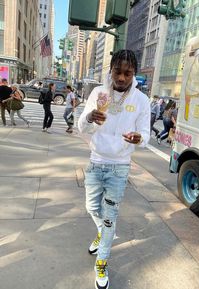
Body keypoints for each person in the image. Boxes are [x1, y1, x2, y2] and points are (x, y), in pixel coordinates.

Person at [78, 49, 150, 289]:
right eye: (117, 72)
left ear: (134, 74)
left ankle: (102, 263)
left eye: (127, 73)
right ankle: (102, 233)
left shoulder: (141, 100)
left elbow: (147, 135)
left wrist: (139, 138)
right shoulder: (98, 93)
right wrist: (89, 118)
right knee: (91, 207)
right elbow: (81, 127)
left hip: (120, 168)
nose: (121, 78)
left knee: (110, 219)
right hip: (96, 161)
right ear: (111, 70)